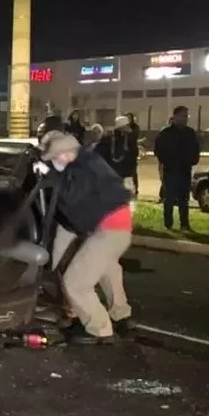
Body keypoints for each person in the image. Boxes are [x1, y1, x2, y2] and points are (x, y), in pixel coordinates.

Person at [40, 131, 134, 345]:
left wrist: (50, 175)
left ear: (63, 154)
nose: (55, 163)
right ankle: (121, 316)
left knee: (76, 283)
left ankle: (99, 329)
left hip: (109, 230)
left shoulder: (81, 169)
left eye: (54, 159)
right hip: (116, 227)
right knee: (108, 271)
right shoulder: (89, 160)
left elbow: (71, 197)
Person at [153, 106, 200, 231]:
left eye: (186, 116)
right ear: (175, 117)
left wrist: (193, 160)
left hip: (185, 170)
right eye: (183, 116)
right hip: (171, 171)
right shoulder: (166, 133)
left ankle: (184, 224)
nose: (185, 119)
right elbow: (158, 150)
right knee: (169, 198)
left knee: (184, 199)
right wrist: (167, 161)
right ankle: (168, 224)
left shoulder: (190, 133)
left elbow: (196, 149)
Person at [102, 116, 139, 197]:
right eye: (127, 126)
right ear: (122, 127)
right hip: (124, 174)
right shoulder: (129, 139)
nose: (129, 127)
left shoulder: (108, 138)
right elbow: (135, 154)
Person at [124, 113, 142, 193]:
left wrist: (128, 132)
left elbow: (133, 137)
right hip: (124, 153)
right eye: (127, 118)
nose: (128, 119)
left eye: (129, 118)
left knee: (133, 172)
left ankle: (135, 188)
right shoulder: (124, 127)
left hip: (132, 153)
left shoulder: (135, 127)